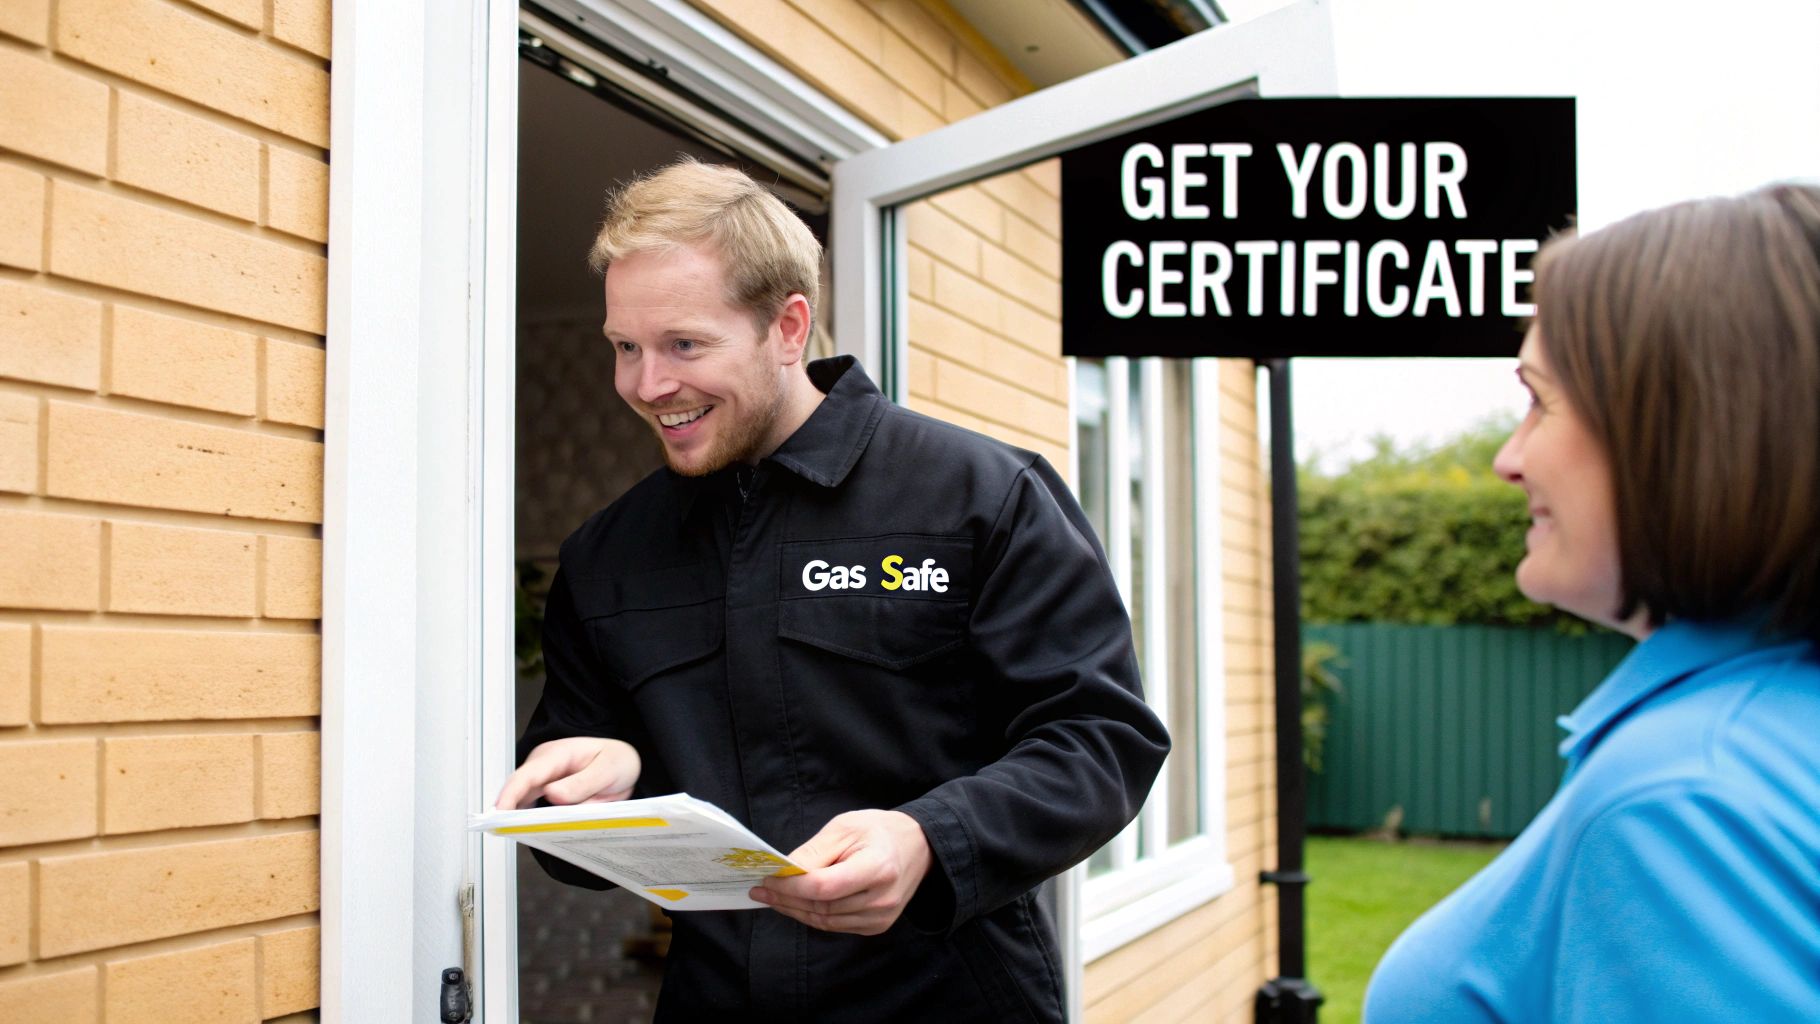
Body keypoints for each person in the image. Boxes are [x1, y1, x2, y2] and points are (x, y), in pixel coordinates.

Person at [495, 158, 1169, 1022]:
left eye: (684, 345)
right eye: (625, 347)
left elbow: (1101, 739)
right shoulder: (607, 556)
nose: (646, 384)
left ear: (788, 327)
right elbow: (574, 841)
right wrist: (611, 784)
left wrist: (931, 837)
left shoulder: (978, 497)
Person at [1365, 183, 1820, 1021]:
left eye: (1541, 400)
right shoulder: (1766, 732)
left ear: (1682, 428)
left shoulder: (1686, 801)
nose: (1510, 458)